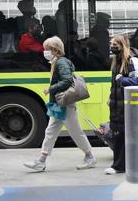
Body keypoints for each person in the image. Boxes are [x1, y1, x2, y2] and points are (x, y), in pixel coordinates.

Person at [23, 36, 97, 171]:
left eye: (47, 49)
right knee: (50, 131)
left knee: (75, 132)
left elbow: (67, 80)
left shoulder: (61, 63)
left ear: (55, 51)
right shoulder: (57, 62)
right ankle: (41, 161)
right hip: (58, 103)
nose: (44, 52)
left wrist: (51, 88)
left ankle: (90, 156)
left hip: (65, 104)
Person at [105, 34, 138, 175]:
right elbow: (115, 86)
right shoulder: (116, 61)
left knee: (124, 133)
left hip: (131, 104)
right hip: (120, 104)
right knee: (127, 132)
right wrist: (111, 98)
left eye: (115, 45)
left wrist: (123, 80)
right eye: (111, 44)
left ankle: (119, 166)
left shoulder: (132, 61)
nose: (112, 47)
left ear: (122, 45)